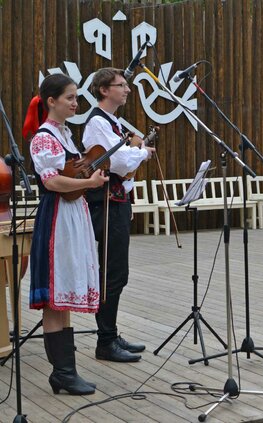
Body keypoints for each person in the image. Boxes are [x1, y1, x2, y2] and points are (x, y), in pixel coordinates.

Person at [26, 73, 109, 395]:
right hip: (57, 218)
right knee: (55, 299)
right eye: (70, 98)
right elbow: (52, 182)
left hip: (72, 215)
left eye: (76, 97)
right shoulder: (44, 138)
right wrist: (89, 184)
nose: (76, 103)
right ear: (51, 101)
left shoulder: (65, 134)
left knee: (63, 300)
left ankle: (66, 372)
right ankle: (62, 372)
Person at [82, 67, 155, 362]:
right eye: (121, 85)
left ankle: (110, 333)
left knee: (117, 272)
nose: (126, 90)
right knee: (112, 272)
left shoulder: (111, 122)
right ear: (104, 90)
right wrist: (143, 153)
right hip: (107, 203)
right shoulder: (97, 123)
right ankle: (105, 341)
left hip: (118, 200)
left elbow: (124, 160)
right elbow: (119, 162)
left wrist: (135, 152)